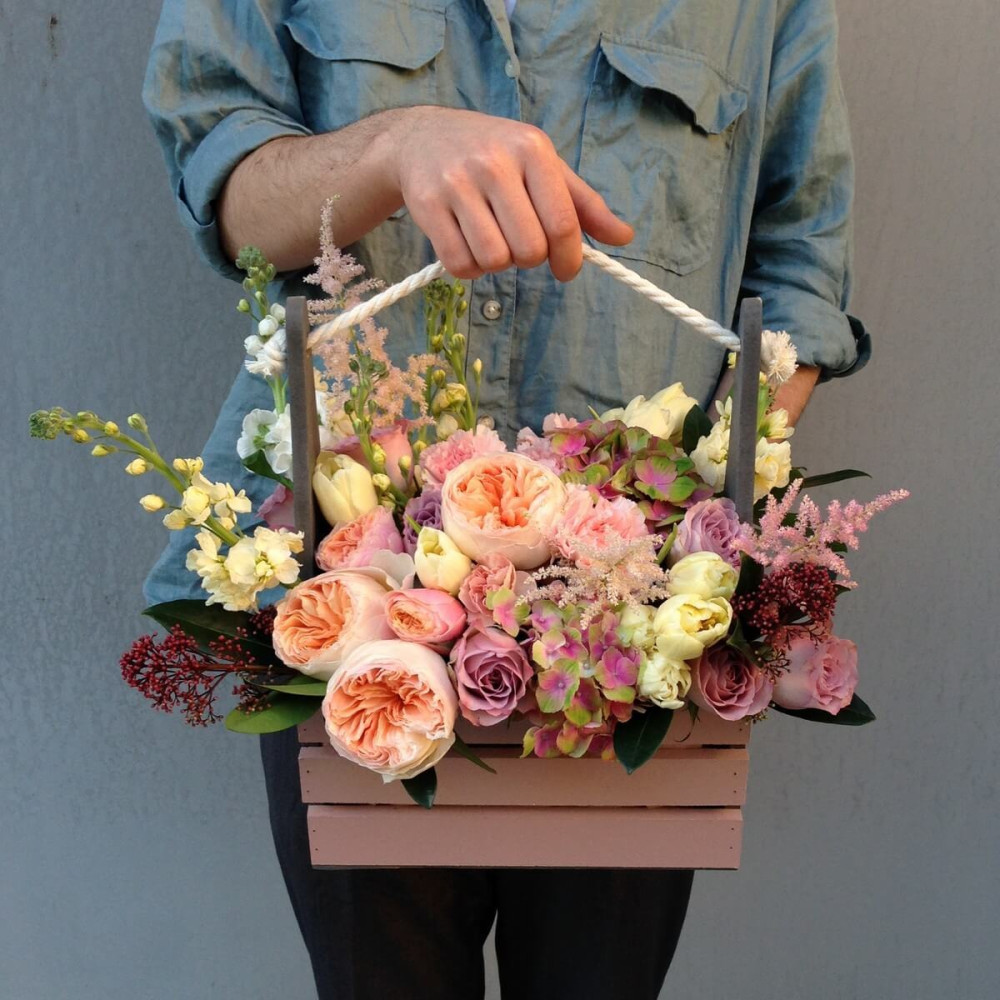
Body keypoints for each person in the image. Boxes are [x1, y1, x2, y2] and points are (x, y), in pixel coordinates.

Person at [142, 1, 870, 997]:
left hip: (632, 647)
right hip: (350, 620)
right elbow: (231, 204)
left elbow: (798, 268)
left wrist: (693, 533)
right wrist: (395, 147)